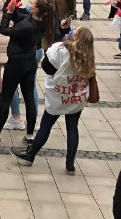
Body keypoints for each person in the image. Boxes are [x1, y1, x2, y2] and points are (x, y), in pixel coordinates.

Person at [14, 28, 95, 174]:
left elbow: (47, 68)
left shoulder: (62, 51)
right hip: (76, 97)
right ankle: (70, 164)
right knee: (72, 128)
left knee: (46, 125)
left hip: (59, 96)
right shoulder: (88, 55)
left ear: (76, 38)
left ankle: (30, 155)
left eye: (74, 32)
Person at [0, 0, 53, 144]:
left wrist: (8, 14)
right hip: (30, 62)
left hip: (16, 63)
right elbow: (17, 15)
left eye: (33, 2)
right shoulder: (41, 21)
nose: (31, 3)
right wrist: (11, 7)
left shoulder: (27, 26)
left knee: (6, 97)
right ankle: (30, 135)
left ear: (35, 9)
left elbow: (4, 30)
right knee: (29, 98)